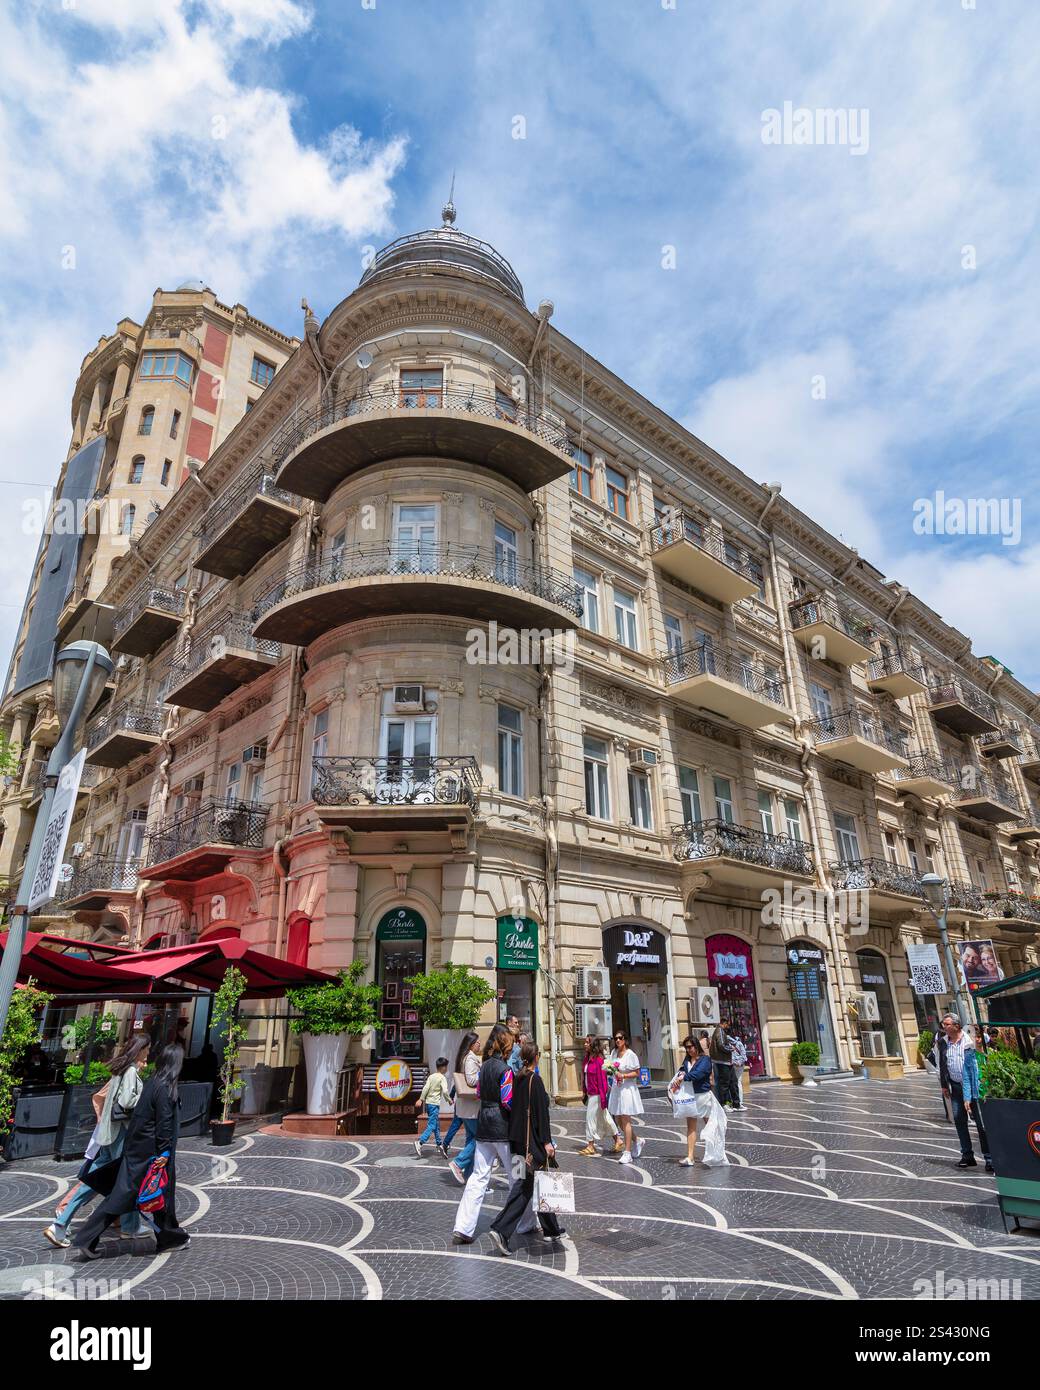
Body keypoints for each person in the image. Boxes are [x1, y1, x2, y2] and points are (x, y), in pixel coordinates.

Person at [73, 1043, 190, 1258]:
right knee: (139, 1195)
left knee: (138, 1195)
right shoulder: (164, 1088)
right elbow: (163, 1123)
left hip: (139, 1150)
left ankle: (168, 1237)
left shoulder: (153, 1083)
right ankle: (87, 1238)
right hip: (150, 1154)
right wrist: (163, 1154)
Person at [45, 1034, 151, 1248]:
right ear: (141, 1048)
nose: (149, 1052)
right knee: (129, 1180)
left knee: (94, 1181)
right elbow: (127, 1101)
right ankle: (130, 1228)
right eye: (148, 1048)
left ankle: (60, 1224)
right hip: (120, 1134)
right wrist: (148, 1098)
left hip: (107, 1134)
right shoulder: (130, 1070)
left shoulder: (120, 1069)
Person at [488, 1040, 564, 1255]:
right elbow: (542, 1115)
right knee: (527, 1187)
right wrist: (547, 1142)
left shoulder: (518, 1079)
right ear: (537, 1057)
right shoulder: (535, 1080)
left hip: (518, 1142)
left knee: (534, 1184)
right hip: (533, 1146)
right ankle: (501, 1230)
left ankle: (551, 1228)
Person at [452, 1025, 515, 1243]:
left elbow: (478, 1092)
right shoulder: (506, 1070)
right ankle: (526, 1223)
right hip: (504, 1131)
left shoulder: (484, 1066)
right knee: (517, 1177)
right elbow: (508, 1101)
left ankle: (463, 1227)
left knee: (478, 1177)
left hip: (484, 1128)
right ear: (506, 1044)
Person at [935, 1014, 993, 1173]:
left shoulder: (969, 1040)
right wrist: (944, 1085)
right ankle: (967, 1155)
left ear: (956, 1025)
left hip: (974, 1087)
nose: (943, 1027)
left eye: (946, 1024)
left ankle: (989, 1158)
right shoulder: (943, 1042)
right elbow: (942, 1064)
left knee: (981, 1123)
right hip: (955, 1087)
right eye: (943, 1024)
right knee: (959, 1120)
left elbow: (984, 1052)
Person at [669, 1035, 713, 1166]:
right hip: (690, 1096)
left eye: (690, 1047)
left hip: (703, 1096)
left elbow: (699, 1074)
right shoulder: (687, 1060)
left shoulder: (705, 1060)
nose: (688, 1050)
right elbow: (681, 1072)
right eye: (686, 1047)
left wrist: (684, 1077)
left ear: (696, 1046)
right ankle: (690, 1156)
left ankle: (715, 1153)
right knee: (691, 1127)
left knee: (710, 1125)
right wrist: (678, 1079)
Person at [447, 1032, 482, 1185]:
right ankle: (458, 1163)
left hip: (466, 1108)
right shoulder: (470, 1059)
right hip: (471, 1107)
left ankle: (469, 1178)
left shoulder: (466, 1058)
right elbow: (472, 1080)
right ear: (471, 1044)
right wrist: (484, 1073)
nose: (480, 1044)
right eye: (477, 1042)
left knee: (471, 1140)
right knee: (479, 1139)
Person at [578, 1036, 621, 1156]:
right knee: (605, 1117)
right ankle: (618, 1140)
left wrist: (603, 1097)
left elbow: (602, 1081)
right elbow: (585, 1077)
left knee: (590, 1118)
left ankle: (590, 1145)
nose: (585, 1044)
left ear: (593, 1044)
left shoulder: (599, 1060)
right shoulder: (587, 1058)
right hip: (590, 1093)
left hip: (596, 1094)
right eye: (585, 1042)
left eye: (587, 1042)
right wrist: (584, 1091)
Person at [607, 1029, 644, 1164]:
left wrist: (623, 1075)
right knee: (618, 1119)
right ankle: (637, 1140)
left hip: (627, 1089)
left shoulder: (631, 1055)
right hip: (617, 1088)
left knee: (626, 1119)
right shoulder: (614, 1053)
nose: (617, 1040)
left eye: (620, 1038)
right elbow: (611, 1067)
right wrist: (611, 1072)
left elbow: (637, 1072)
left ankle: (627, 1152)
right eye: (615, 1038)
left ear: (625, 1039)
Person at [413, 1057, 452, 1158]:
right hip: (434, 1105)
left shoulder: (431, 1076)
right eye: (446, 1066)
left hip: (428, 1104)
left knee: (436, 1125)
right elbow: (444, 1091)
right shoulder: (442, 1078)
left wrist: (421, 1099)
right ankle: (420, 1142)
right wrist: (449, 1100)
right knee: (432, 1125)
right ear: (443, 1067)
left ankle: (439, 1144)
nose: (447, 1068)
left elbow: (426, 1088)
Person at [709, 1020, 740, 1109]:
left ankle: (736, 1104)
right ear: (724, 1023)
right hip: (723, 1062)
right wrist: (731, 1048)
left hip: (726, 1061)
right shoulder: (720, 1031)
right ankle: (725, 1103)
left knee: (733, 1082)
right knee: (725, 1083)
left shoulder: (720, 1031)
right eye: (727, 1025)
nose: (728, 1026)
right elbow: (721, 1045)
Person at [729, 1026, 749, 1109]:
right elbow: (744, 1055)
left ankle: (733, 1102)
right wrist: (740, 1062)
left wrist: (734, 1062)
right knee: (738, 1083)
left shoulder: (727, 1043)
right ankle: (739, 1102)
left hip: (732, 1065)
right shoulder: (739, 1043)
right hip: (740, 1065)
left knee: (732, 1084)